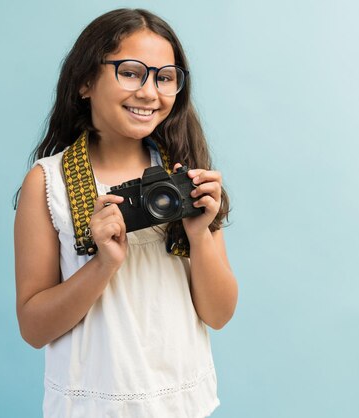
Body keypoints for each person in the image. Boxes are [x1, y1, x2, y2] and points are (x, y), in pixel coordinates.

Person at [14, 8, 238, 418]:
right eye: (131, 72)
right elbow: (33, 328)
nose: (150, 92)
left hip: (179, 402)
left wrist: (200, 234)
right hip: (92, 404)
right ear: (85, 81)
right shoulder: (49, 183)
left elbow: (218, 314)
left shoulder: (183, 175)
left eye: (165, 77)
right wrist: (103, 264)